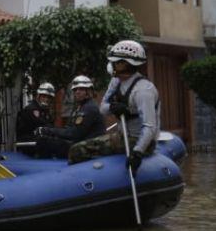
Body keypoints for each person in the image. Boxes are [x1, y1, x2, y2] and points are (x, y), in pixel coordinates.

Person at [67, 40, 160, 172]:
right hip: (121, 136)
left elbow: (150, 126)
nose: (113, 65)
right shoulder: (116, 81)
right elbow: (103, 108)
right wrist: (113, 107)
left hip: (138, 140)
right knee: (76, 149)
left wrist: (138, 153)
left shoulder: (143, 90)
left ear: (126, 64)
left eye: (116, 62)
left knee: (78, 150)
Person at [32, 75, 105, 158]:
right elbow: (68, 129)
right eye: (75, 90)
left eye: (81, 89)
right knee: (47, 140)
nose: (77, 92)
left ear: (88, 91)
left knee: (45, 142)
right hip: (82, 144)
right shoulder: (80, 107)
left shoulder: (89, 108)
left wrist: (48, 131)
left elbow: (73, 134)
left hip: (89, 148)